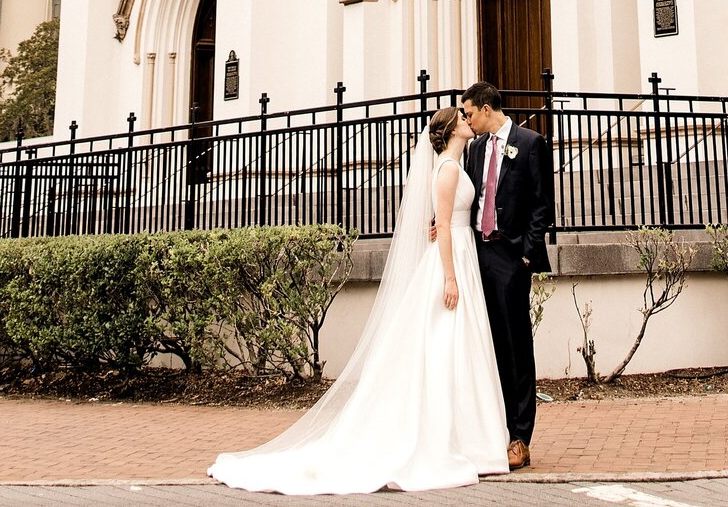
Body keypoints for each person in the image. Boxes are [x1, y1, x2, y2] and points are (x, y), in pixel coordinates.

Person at [209, 103, 509, 494]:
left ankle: (471, 438)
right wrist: (450, 277)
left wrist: (442, 230)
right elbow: (447, 228)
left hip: (461, 255)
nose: (468, 122)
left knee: (457, 349)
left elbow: (445, 221)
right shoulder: (449, 170)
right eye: (462, 119)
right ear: (451, 130)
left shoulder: (456, 164)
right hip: (452, 264)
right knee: (446, 348)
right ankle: (464, 441)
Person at [462, 81, 554, 472]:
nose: (466, 120)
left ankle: (520, 436)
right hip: (476, 253)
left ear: (486, 108)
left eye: (468, 113)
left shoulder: (531, 143)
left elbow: (542, 203)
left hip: (509, 255)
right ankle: (488, 431)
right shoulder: (475, 148)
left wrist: (528, 256)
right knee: (483, 342)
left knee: (515, 347)